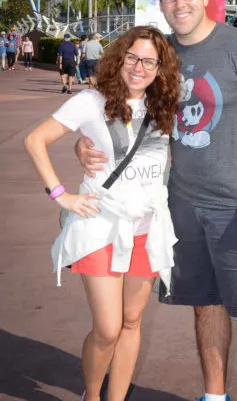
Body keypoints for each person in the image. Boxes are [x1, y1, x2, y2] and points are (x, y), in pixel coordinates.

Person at [77, 0, 237, 401]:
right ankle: (215, 395)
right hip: (182, 207)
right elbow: (122, 110)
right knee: (205, 306)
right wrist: (85, 143)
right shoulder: (163, 55)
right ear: (162, 1)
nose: (179, 2)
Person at [24, 26, 181, 401]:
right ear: (118, 58)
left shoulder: (167, 105)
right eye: (131, 57)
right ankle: (91, 395)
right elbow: (35, 140)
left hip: (148, 227)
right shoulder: (91, 101)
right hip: (99, 226)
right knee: (108, 328)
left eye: (148, 61)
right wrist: (61, 195)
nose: (138, 67)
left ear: (160, 67)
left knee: (131, 322)